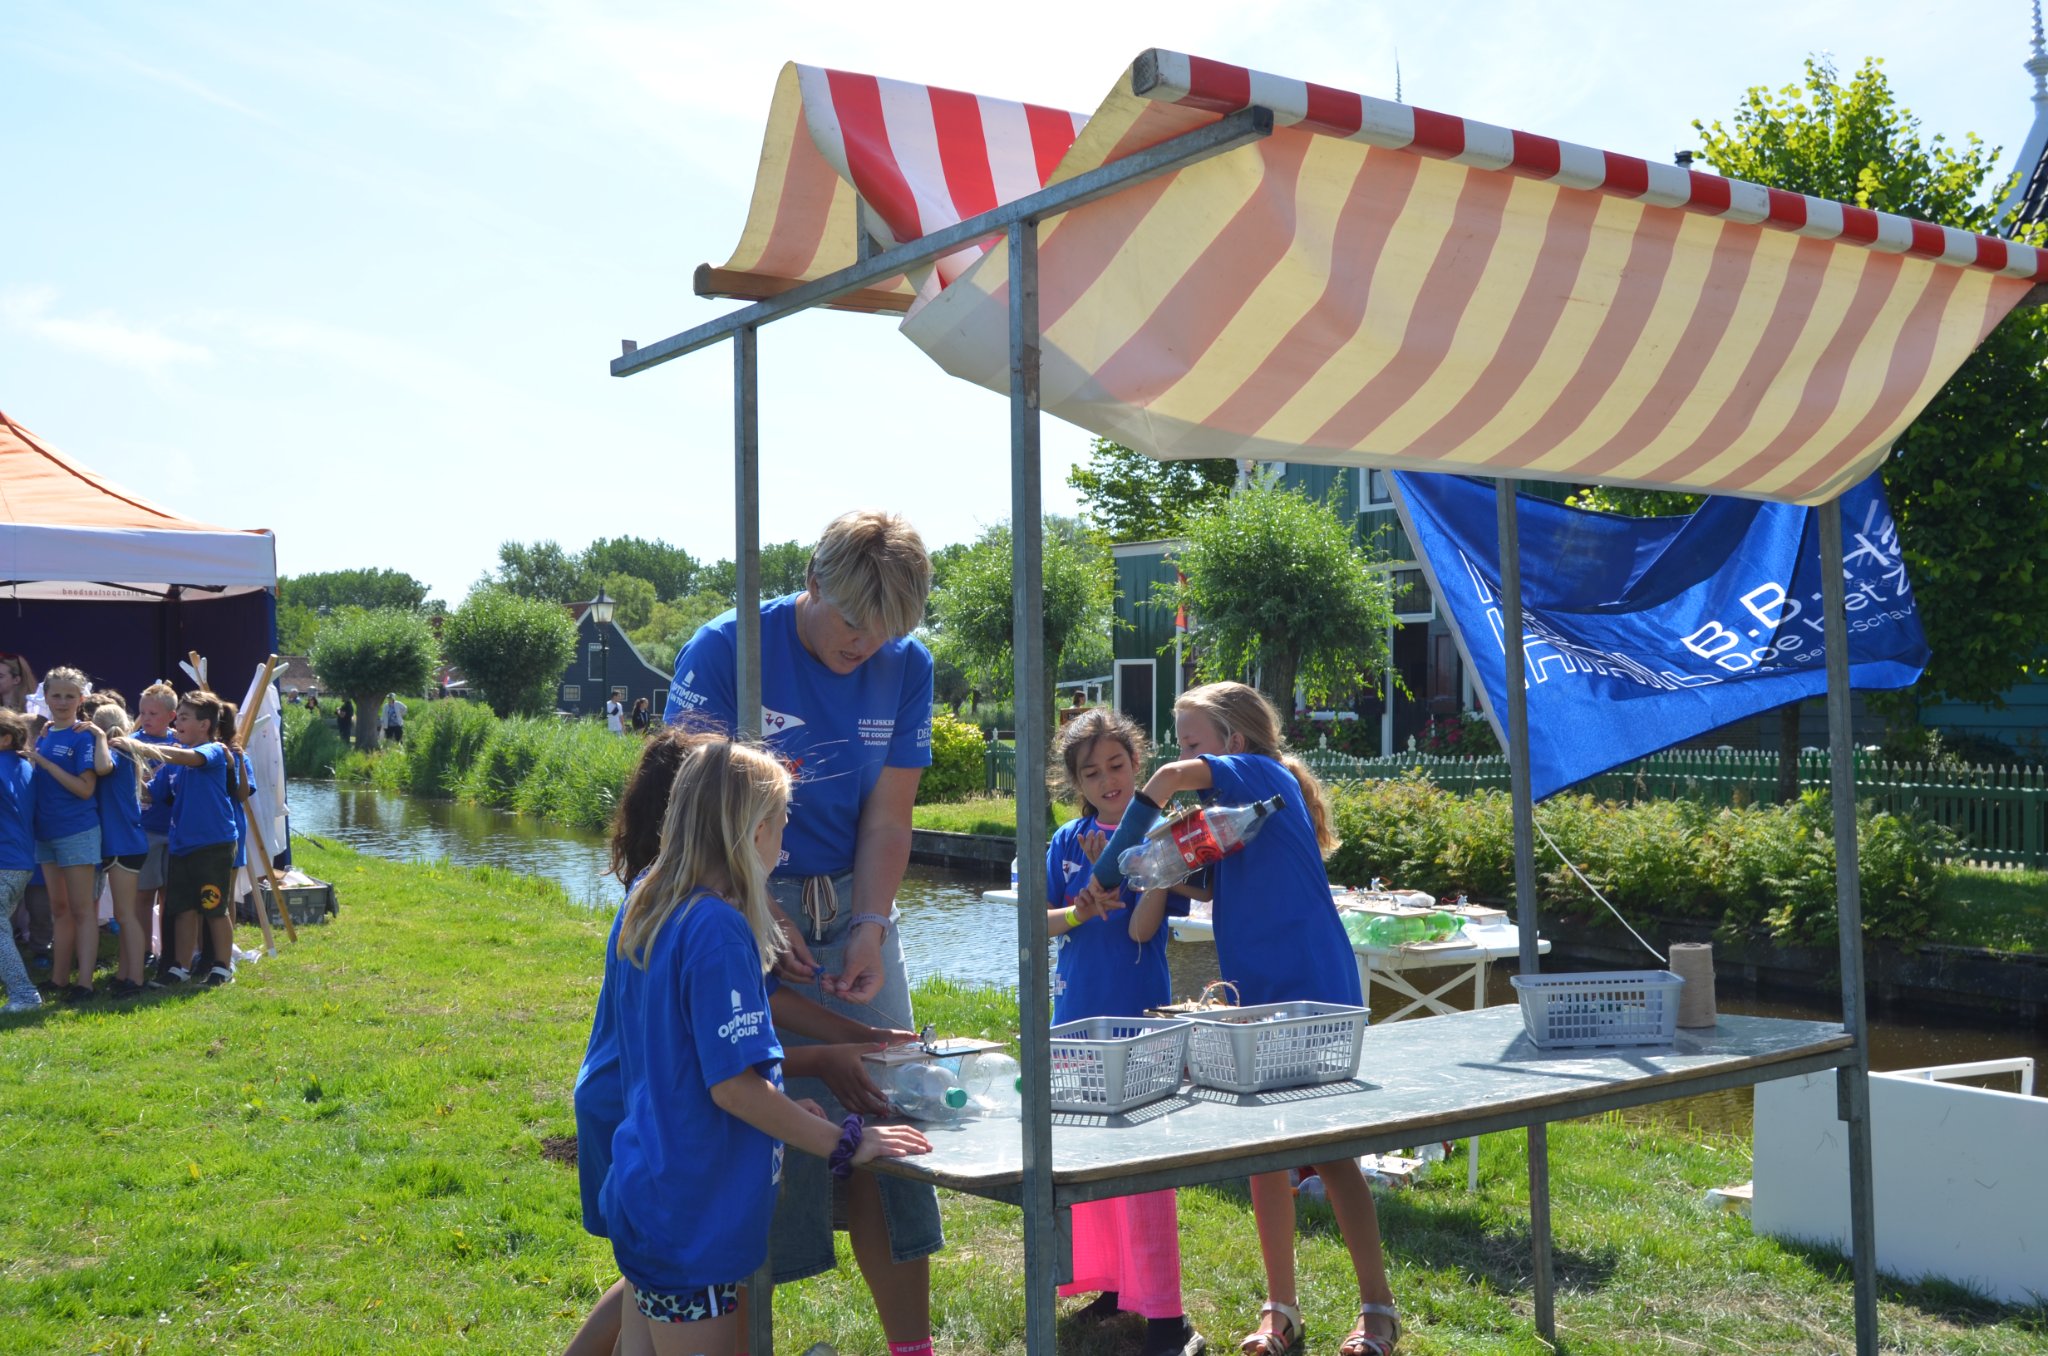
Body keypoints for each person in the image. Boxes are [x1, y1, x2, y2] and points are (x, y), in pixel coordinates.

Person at [663, 509, 944, 1353]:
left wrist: (870, 925)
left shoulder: (906, 664)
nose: (866, 646)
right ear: (812, 581)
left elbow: (889, 817)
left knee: (890, 1110)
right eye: (854, 622)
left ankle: (913, 1348)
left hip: (851, 897)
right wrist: (755, 898)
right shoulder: (726, 651)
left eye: (887, 630)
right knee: (758, 1131)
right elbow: (686, 810)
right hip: (736, 888)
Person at [564, 727, 923, 1356]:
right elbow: (732, 1086)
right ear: (754, 831)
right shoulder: (718, 930)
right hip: (695, 1217)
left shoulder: (650, 902)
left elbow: (684, 1059)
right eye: (781, 826)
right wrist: (849, 1141)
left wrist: (782, 1109)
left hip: (650, 1186)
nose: (782, 847)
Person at [1082, 681, 1401, 1356]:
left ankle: (1378, 1308)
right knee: (1265, 1149)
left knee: (1331, 1150)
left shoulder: (1261, 772)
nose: (1181, 754)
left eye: (1191, 741)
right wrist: (1137, 868)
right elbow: (1197, 880)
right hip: (1255, 989)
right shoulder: (1232, 818)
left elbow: (1166, 778)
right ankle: (1279, 1310)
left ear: (1233, 742)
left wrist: (1115, 855)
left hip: (1312, 987)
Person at [1045, 710, 1205, 1356]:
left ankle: (1167, 1316)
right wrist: (1081, 909)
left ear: (1138, 765)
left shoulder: (1165, 835)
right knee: (1089, 1157)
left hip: (1139, 1020)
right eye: (1092, 772)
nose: (1108, 780)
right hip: (1074, 1017)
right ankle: (1111, 1284)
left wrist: (1146, 872)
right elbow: (1039, 922)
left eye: (1117, 765)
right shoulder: (1065, 841)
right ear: (1076, 783)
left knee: (1144, 1166)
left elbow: (1142, 930)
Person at [117, 691, 244, 989]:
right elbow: (152, 793)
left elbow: (190, 758)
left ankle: (222, 967)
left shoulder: (213, 751)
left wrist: (141, 747)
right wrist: (124, 768)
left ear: (204, 725)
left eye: (184, 718)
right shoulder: (174, 758)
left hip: (213, 844)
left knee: (214, 906)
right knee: (183, 909)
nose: (178, 724)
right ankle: (181, 968)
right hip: (181, 845)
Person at [26, 667, 102, 1002]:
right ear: (45, 697)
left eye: (69, 696)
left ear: (81, 699)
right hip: (47, 832)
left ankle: (85, 983)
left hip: (76, 831)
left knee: (82, 910)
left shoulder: (83, 735)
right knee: (59, 908)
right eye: (56, 695)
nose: (62, 702)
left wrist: (45, 764)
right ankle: (59, 979)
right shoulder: (44, 734)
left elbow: (85, 789)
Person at [91, 705, 150, 997]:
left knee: (126, 916)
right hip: (125, 842)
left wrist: (97, 736)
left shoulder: (115, 750)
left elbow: (102, 767)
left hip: (123, 843)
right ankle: (124, 973)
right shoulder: (126, 751)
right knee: (123, 914)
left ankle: (135, 979)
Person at [132, 683, 180, 970]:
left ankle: (169, 949)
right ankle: (143, 950)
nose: (146, 718)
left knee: (170, 894)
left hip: (174, 828)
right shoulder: (132, 742)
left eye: (153, 713)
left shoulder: (180, 743)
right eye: (143, 712)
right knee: (143, 893)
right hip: (145, 828)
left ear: (171, 716)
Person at [0, 709, 45, 1012]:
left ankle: (25, 995)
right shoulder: (24, 766)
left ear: (5, 739)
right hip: (20, 861)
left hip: (6, 860)